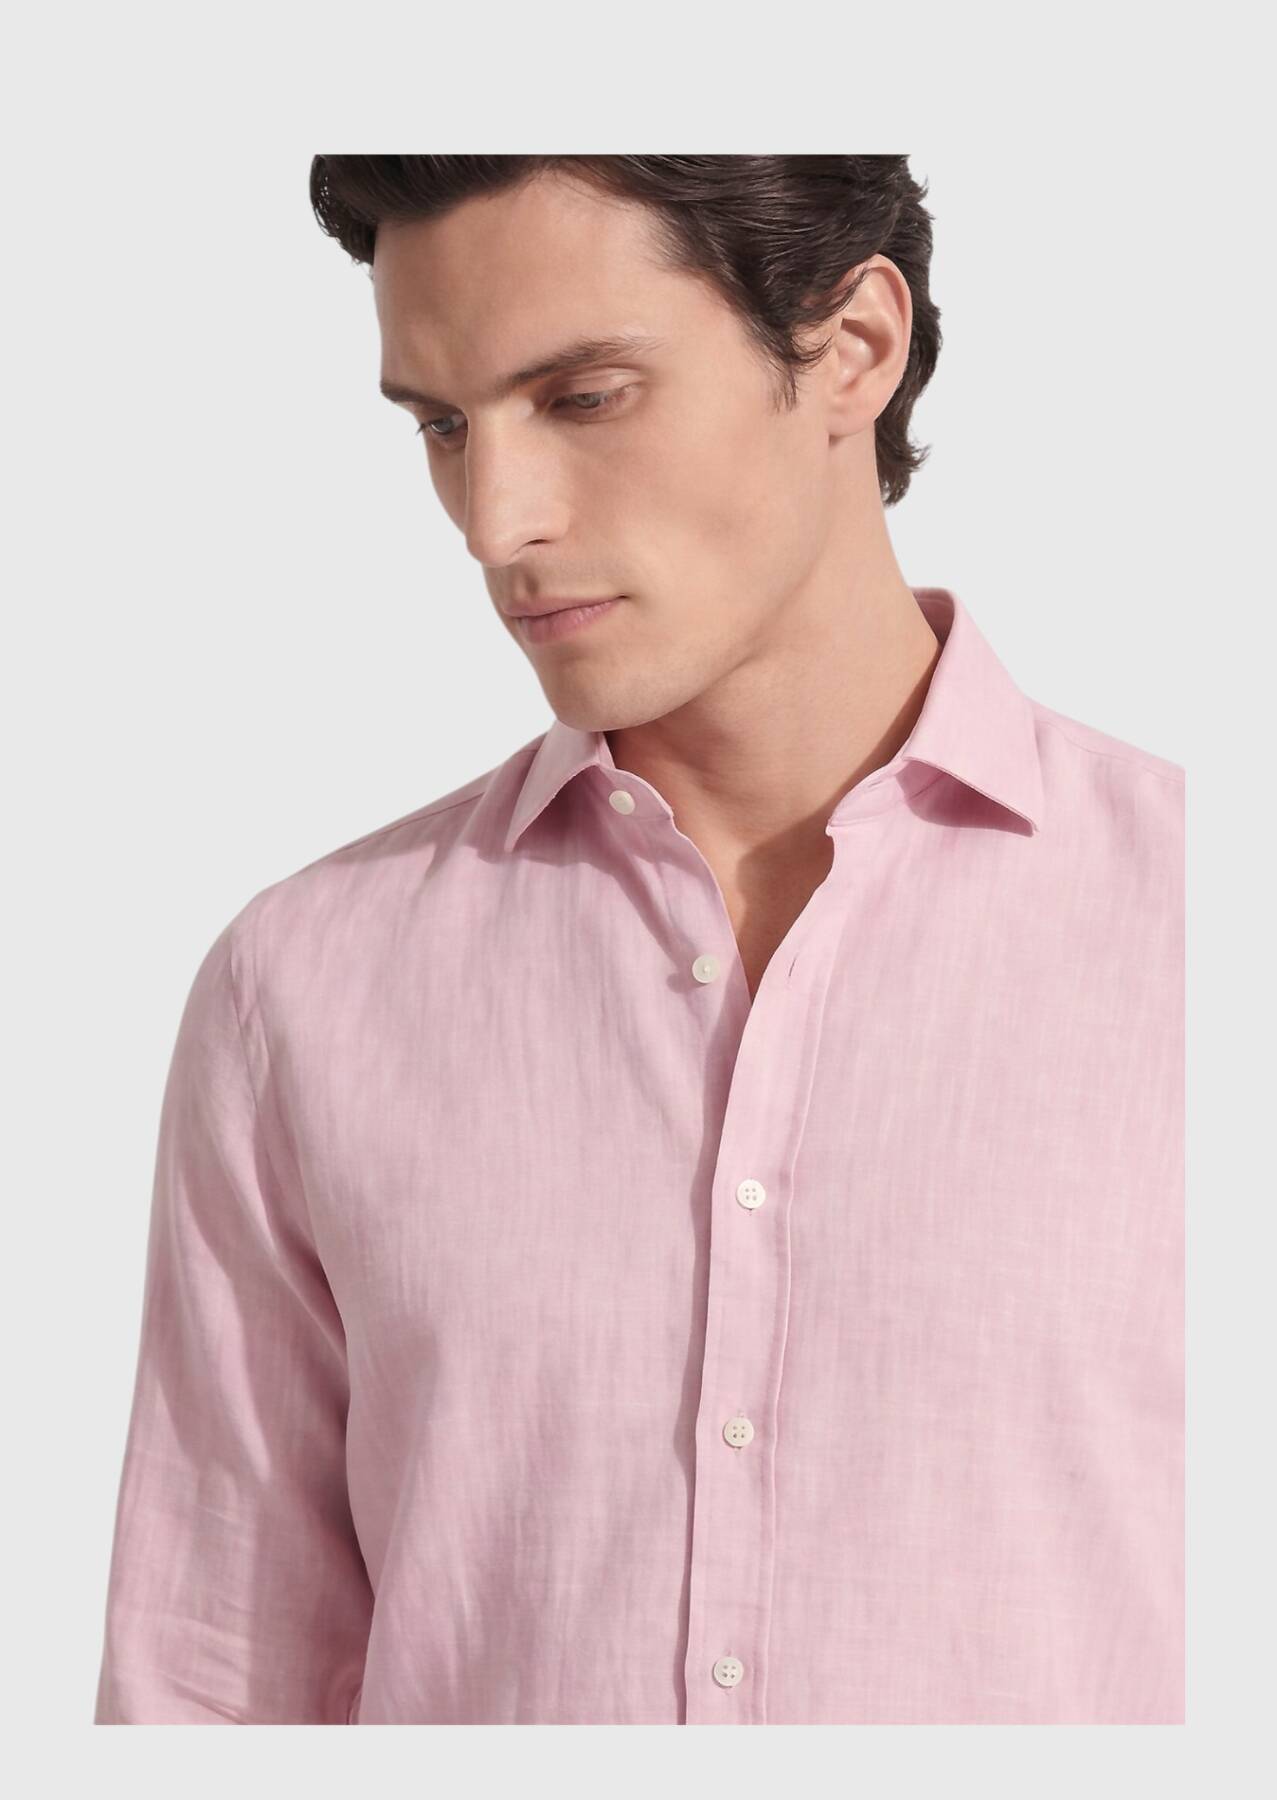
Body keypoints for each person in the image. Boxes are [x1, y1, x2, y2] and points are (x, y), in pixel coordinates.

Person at [93, 155, 1184, 1725]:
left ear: (851, 349)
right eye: (442, 425)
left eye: (583, 398)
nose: (496, 522)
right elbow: (210, 1684)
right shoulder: (303, 992)